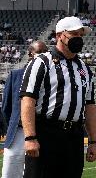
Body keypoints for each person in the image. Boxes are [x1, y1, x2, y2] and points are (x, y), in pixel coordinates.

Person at [20, 16, 96, 178]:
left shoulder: (84, 69)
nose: (78, 39)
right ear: (59, 36)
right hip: (46, 133)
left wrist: (93, 142)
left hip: (74, 136)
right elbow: (28, 100)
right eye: (73, 34)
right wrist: (30, 137)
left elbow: (90, 107)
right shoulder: (41, 62)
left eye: (80, 35)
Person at [1, 41, 48, 178]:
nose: (44, 56)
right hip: (17, 131)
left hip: (41, 133)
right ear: (30, 54)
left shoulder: (50, 77)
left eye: (46, 53)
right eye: (40, 52)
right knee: (10, 173)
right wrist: (13, 126)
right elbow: (6, 107)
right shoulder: (15, 75)